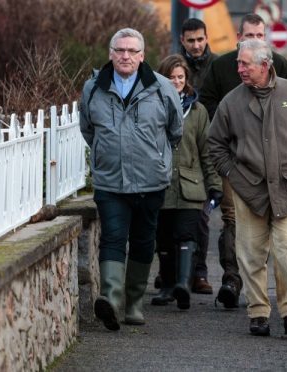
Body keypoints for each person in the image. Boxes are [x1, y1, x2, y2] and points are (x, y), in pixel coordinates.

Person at [208, 39, 287, 336]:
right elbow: (215, 144)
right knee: (250, 253)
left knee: (286, 250)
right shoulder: (231, 101)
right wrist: (232, 173)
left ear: (265, 65)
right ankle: (258, 312)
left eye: (245, 63)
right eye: (238, 63)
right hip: (249, 190)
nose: (239, 68)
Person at [79, 28, 183, 331]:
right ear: (111, 53)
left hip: (150, 181)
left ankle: (134, 303)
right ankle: (111, 300)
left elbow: (176, 130)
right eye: (120, 50)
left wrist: (155, 155)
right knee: (112, 237)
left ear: (142, 56)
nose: (125, 56)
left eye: (132, 51)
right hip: (110, 181)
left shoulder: (162, 87)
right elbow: (88, 129)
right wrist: (105, 153)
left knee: (142, 240)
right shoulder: (93, 88)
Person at [200, 13, 287, 309]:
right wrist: (236, 125)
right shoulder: (222, 67)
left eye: (259, 36)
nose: (255, 41)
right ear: (238, 38)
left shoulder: (281, 66)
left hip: (278, 166)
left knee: (282, 238)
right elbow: (207, 107)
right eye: (249, 36)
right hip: (238, 161)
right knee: (234, 221)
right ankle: (233, 279)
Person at [151, 54, 222, 310]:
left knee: (186, 234)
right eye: (172, 78)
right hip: (161, 183)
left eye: (181, 77)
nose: (177, 81)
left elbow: (206, 151)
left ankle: (183, 284)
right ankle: (167, 287)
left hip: (191, 185)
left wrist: (215, 185)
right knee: (164, 237)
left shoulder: (199, 111)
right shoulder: (153, 105)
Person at [179, 18, 219, 295]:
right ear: (183, 40)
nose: (196, 45)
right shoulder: (173, 67)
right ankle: (175, 271)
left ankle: (200, 273)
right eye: (191, 40)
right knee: (171, 216)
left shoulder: (216, 66)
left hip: (208, 146)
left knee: (202, 217)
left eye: (200, 39)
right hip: (180, 149)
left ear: (206, 38)